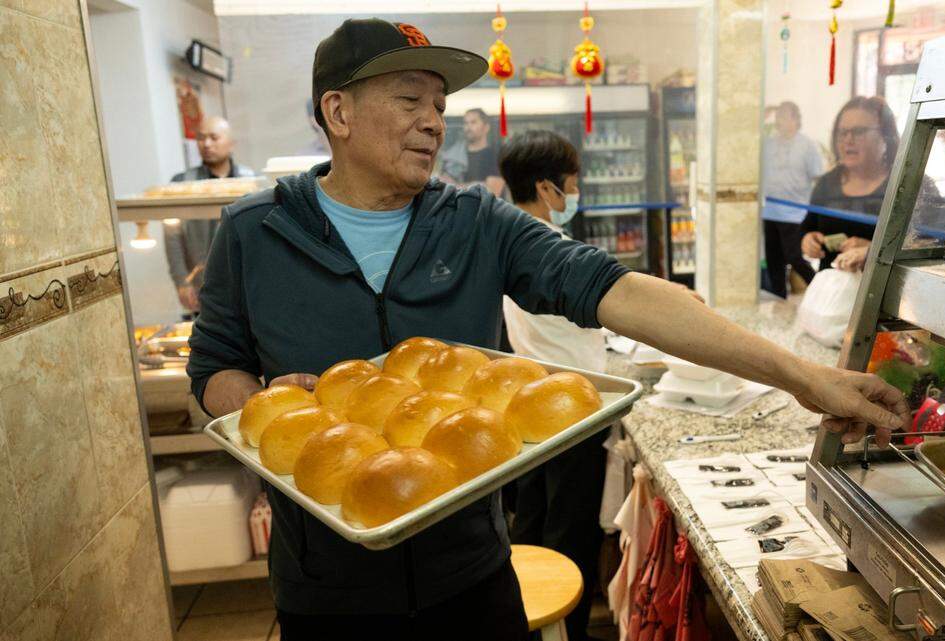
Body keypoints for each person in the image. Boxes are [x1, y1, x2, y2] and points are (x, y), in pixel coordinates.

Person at [187, 18, 908, 641]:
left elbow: (621, 291)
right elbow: (213, 369)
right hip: (327, 588)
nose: (435, 120)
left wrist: (803, 375)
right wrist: (262, 403)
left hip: (469, 573)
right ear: (337, 112)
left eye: (439, 104)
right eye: (410, 100)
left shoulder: (472, 222)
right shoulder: (255, 233)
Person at [497, 130, 606, 641]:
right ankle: (570, 630)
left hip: (528, 408)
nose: (574, 195)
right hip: (572, 414)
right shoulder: (556, 255)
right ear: (546, 189)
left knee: (532, 525)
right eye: (572, 185)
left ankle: (531, 624)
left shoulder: (509, 249)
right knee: (570, 533)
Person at [163, 116, 255, 312]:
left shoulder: (250, 181)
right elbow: (173, 238)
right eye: (201, 138)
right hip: (201, 287)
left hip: (247, 284)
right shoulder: (181, 183)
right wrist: (181, 281)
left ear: (231, 144)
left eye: (214, 137)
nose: (206, 144)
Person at [800, 96, 899, 274]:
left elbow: (926, 247)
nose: (848, 140)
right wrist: (808, 239)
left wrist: (873, 251)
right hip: (832, 292)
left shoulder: (906, 186)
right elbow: (808, 226)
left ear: (885, 135)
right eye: (842, 132)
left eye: (859, 131)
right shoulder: (826, 183)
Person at [762, 101, 823, 297]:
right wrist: (763, 115)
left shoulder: (807, 145)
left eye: (784, 116)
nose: (779, 120)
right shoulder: (768, 143)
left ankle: (820, 292)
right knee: (774, 261)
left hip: (795, 213)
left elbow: (818, 177)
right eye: (778, 116)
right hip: (770, 211)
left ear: (796, 119)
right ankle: (779, 300)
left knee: (794, 257)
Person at [440, 108, 505, 196]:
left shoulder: (494, 156)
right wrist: (481, 185)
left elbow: (492, 192)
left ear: (486, 127)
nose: (468, 127)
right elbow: (442, 187)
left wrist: (455, 186)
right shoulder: (453, 157)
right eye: (466, 123)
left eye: (473, 122)